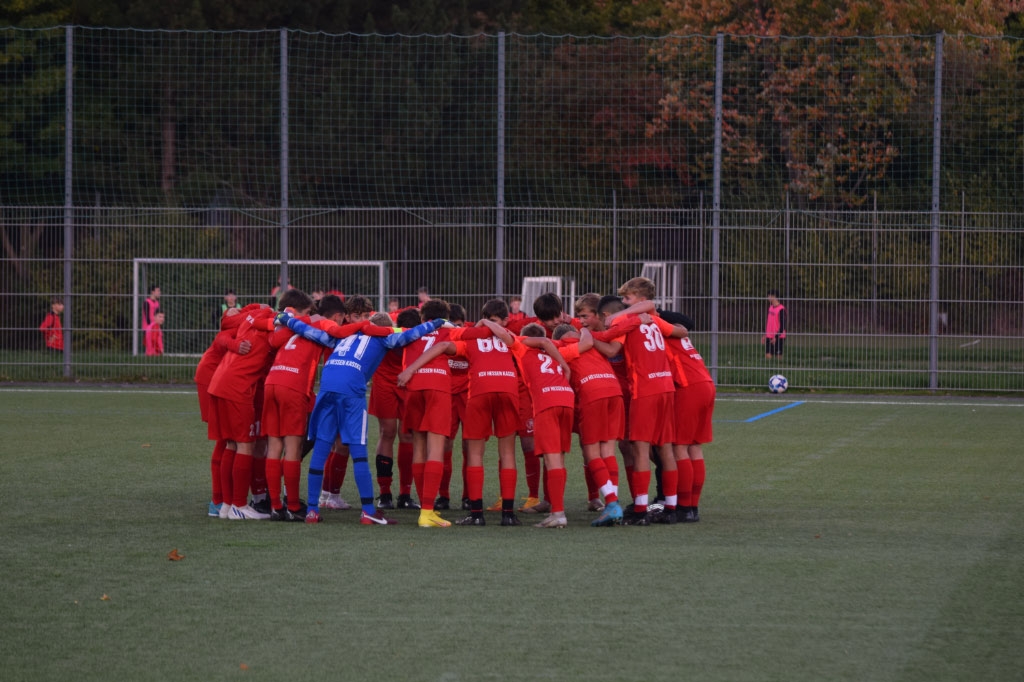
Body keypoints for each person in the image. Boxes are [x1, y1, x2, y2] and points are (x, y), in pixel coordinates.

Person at [276, 307, 447, 525]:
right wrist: (436, 323)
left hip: (327, 386)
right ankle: (368, 511)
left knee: (321, 447)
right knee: (358, 451)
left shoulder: (342, 335)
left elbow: (311, 332)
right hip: (351, 389)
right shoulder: (384, 338)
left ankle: (311, 510)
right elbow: (409, 335)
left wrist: (287, 320)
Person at [394, 299, 493, 527]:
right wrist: (482, 323)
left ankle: (425, 506)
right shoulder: (450, 331)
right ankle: (427, 512)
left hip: (413, 388)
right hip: (437, 387)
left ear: (422, 318)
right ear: (445, 318)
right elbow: (482, 333)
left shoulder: (411, 331)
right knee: (436, 449)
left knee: (419, 447)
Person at [590, 277, 676, 525]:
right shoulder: (653, 318)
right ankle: (671, 506)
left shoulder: (627, 319)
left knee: (640, 448)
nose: (624, 303)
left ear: (640, 298)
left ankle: (640, 510)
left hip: (645, 388)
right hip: (665, 385)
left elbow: (610, 340)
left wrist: (588, 337)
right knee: (665, 447)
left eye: (627, 298)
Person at [551, 322, 626, 526]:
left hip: (592, 393)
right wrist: (584, 331)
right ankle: (613, 502)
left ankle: (612, 503)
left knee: (592, 452)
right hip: (614, 390)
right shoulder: (592, 344)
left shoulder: (560, 349)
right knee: (608, 451)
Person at [508, 323, 575, 528]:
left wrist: (485, 322)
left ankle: (558, 514)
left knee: (551, 459)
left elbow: (507, 335)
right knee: (559, 459)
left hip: (546, 402)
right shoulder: (557, 348)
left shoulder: (522, 347)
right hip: (567, 400)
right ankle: (555, 507)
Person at [765, 289, 787, 359]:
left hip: (778, 337)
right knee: (768, 356)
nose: (768, 297)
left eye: (769, 296)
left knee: (778, 357)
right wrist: (765, 334)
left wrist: (776, 337)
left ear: (774, 296)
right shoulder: (770, 308)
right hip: (769, 335)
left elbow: (783, 325)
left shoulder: (781, 309)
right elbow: (769, 322)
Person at [143, 285, 161, 353]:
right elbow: (147, 316)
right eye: (158, 291)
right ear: (152, 292)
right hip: (148, 328)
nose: (159, 292)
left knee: (156, 344)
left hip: (156, 327)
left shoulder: (157, 303)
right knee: (149, 345)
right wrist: (150, 326)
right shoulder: (147, 302)